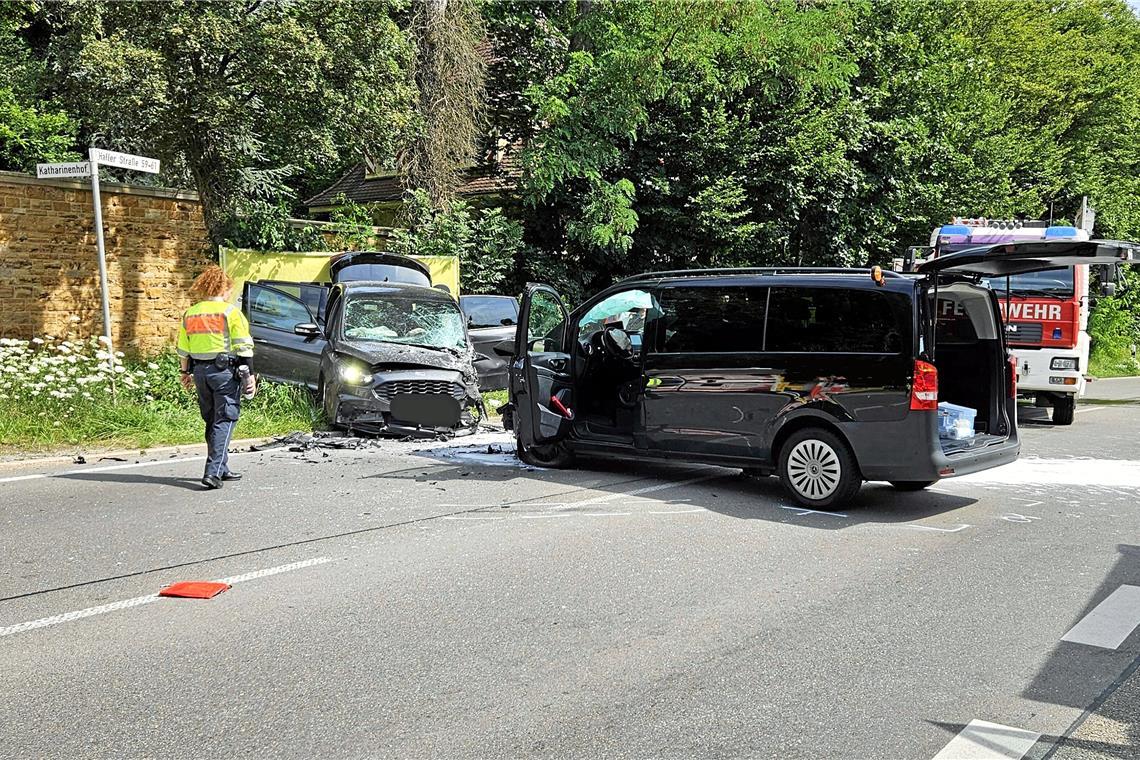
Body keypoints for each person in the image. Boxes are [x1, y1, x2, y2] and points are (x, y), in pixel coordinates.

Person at [176, 266, 255, 489]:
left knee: (211, 419)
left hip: (200, 373)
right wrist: (249, 376)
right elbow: (244, 347)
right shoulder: (230, 313)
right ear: (226, 288)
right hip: (224, 373)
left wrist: (184, 373)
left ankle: (223, 466)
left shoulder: (191, 313)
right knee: (226, 418)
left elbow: (183, 350)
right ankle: (213, 472)